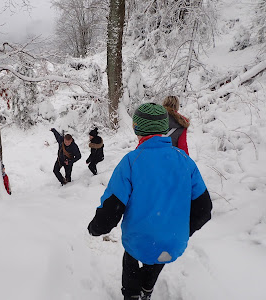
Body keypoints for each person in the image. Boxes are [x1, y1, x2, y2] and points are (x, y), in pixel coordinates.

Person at [87, 103, 212, 300]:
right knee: (158, 256)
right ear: (163, 128)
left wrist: (95, 228)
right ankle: (147, 289)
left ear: (137, 128)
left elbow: (112, 208)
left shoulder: (131, 162)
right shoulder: (185, 161)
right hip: (174, 243)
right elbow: (204, 210)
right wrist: (181, 231)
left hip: (140, 240)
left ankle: (132, 294)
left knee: (131, 257)